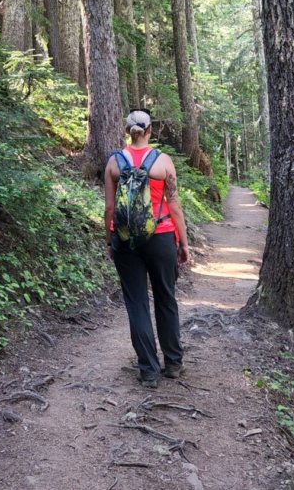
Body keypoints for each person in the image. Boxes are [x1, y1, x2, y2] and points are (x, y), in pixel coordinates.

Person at [104, 109, 191, 389]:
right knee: (166, 298)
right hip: (162, 235)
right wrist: (183, 241)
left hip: (126, 240)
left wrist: (110, 240)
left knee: (137, 303)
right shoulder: (163, 162)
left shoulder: (114, 163)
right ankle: (174, 363)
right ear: (150, 130)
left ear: (128, 131)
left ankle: (148, 370)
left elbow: (109, 208)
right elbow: (174, 205)